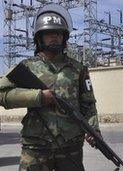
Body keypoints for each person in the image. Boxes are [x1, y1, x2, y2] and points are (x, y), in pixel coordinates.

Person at [0, 3, 100, 171]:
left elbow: (89, 104)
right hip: (36, 147)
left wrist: (93, 129)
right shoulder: (26, 67)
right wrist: (38, 97)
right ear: (39, 38)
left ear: (65, 37)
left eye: (58, 33)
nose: (54, 37)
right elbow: (2, 94)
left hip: (71, 146)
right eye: (48, 33)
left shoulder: (78, 69)